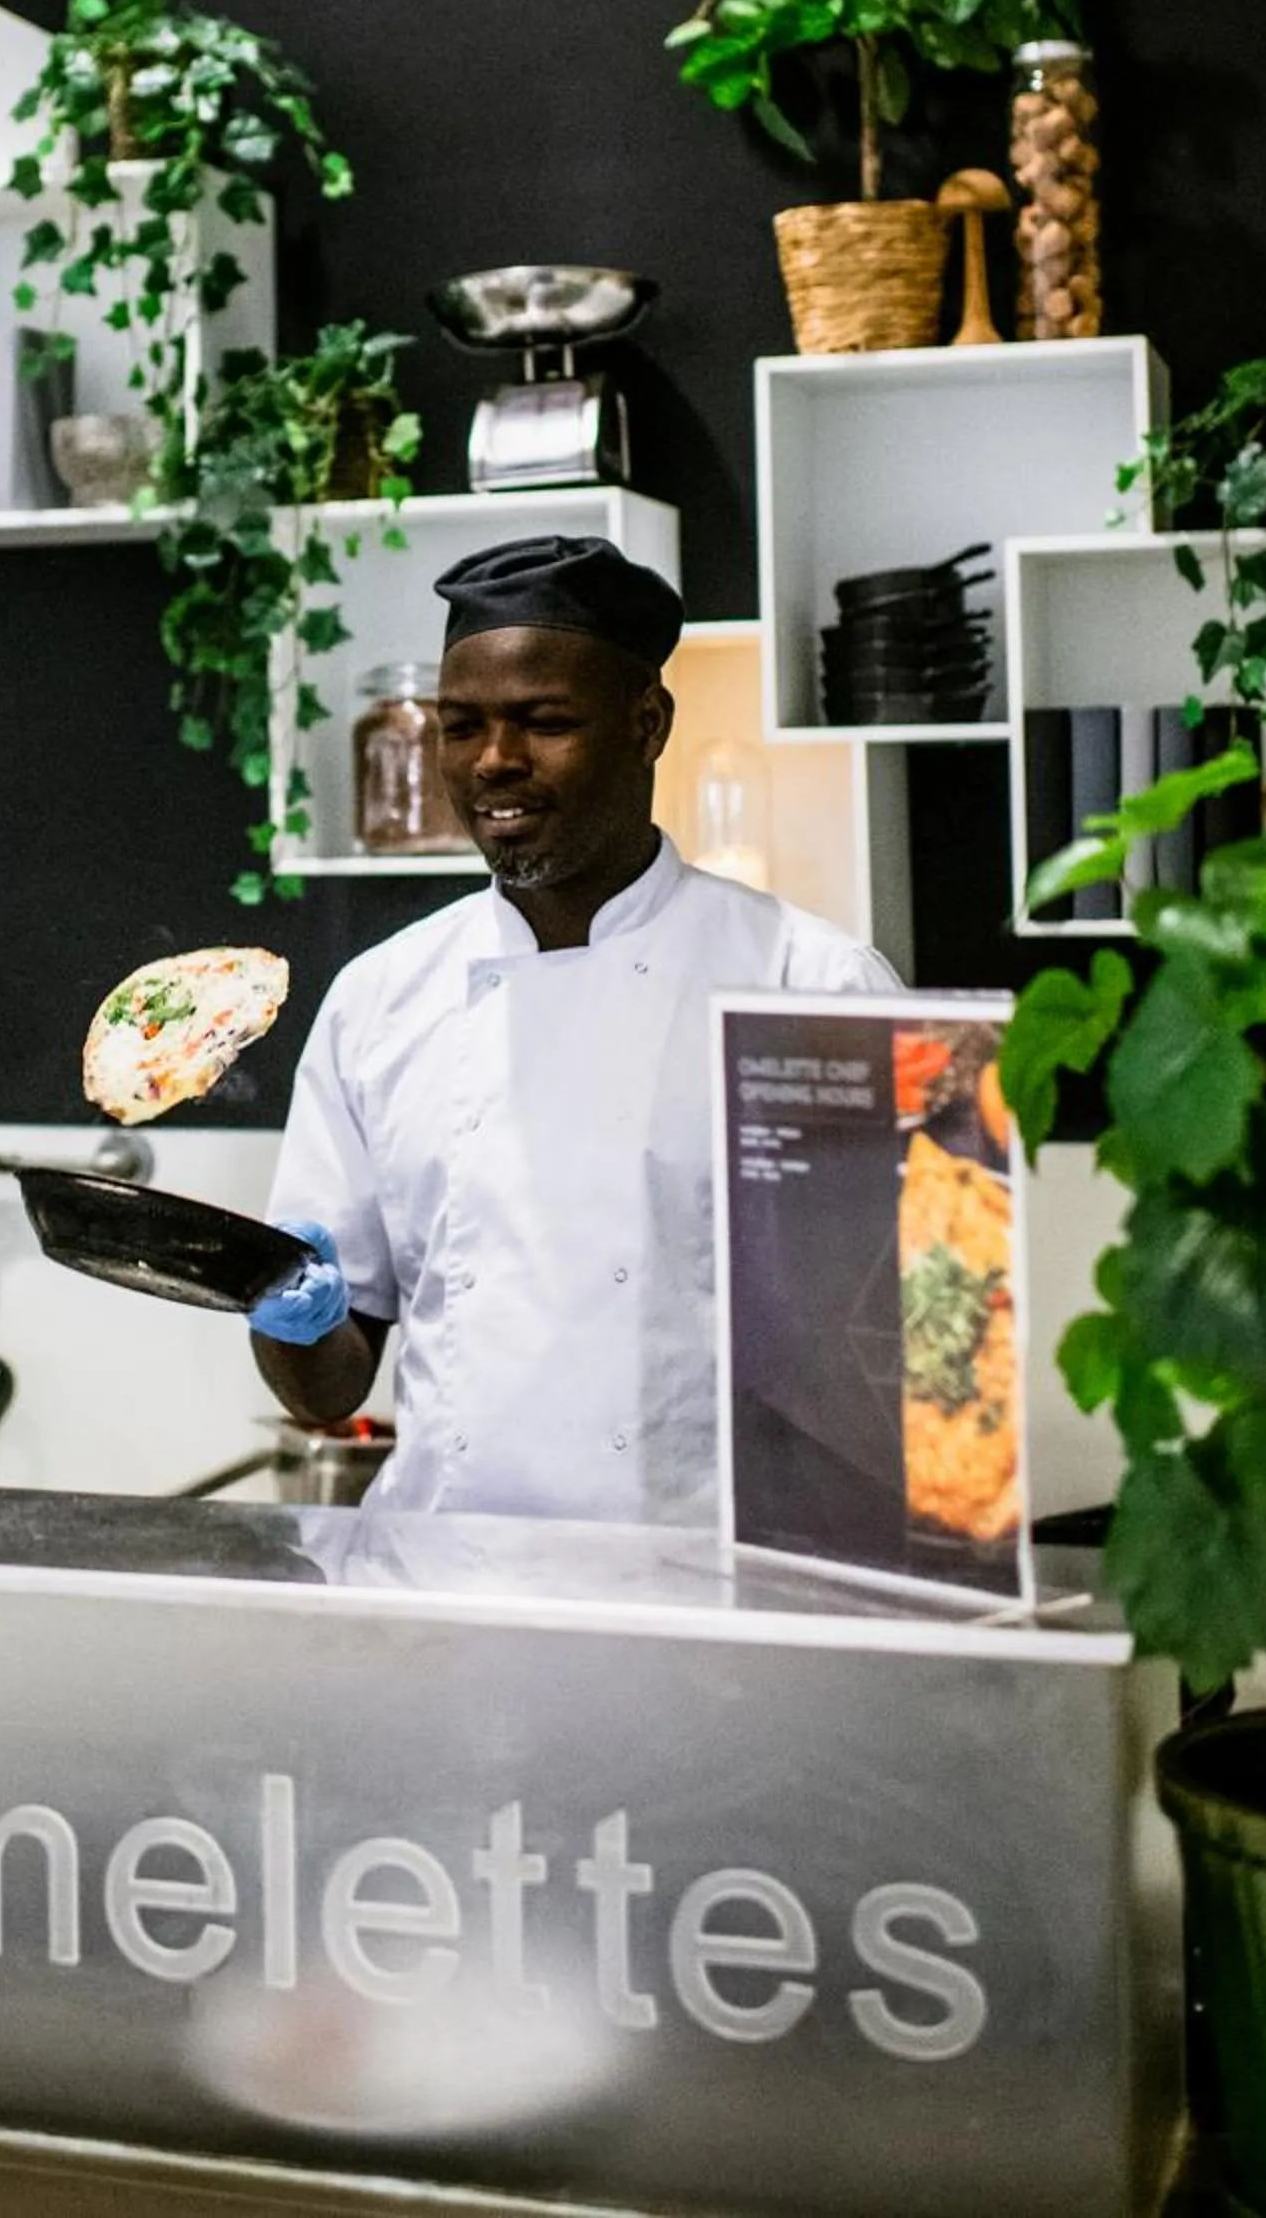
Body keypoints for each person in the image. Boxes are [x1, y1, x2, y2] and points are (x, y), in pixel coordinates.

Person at [250, 533, 899, 1522]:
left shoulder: (805, 985)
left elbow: (899, 1355)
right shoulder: (377, 1000)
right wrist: (264, 1294)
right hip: (445, 1584)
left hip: (699, 1596)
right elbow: (330, 1390)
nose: (494, 763)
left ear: (646, 724)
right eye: (459, 727)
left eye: (542, 721)